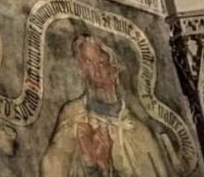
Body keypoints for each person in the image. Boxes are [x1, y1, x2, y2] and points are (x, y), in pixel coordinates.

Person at [41, 35, 173, 177]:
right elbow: (54, 165)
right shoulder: (73, 116)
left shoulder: (139, 132)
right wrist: (90, 165)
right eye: (88, 63)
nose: (95, 72)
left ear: (114, 70)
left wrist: (104, 165)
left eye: (101, 64)